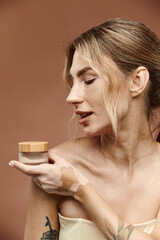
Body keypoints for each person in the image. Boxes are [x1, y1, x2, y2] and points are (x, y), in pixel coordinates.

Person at [9, 18, 160, 240]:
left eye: (88, 80)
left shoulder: (65, 179)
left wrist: (80, 189)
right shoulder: (56, 169)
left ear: (137, 81)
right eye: (73, 83)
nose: (71, 97)